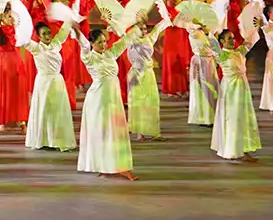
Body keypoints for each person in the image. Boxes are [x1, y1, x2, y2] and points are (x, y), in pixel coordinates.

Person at [75, 23, 142, 180]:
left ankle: (121, 166)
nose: (103, 45)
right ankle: (103, 166)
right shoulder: (88, 57)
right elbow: (83, 44)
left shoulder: (110, 54)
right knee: (103, 131)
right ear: (92, 43)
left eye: (105, 41)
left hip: (113, 98)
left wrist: (137, 26)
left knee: (117, 131)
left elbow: (125, 41)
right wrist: (75, 30)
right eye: (99, 42)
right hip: (98, 99)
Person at [206, 29, 261, 161]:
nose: (233, 40)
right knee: (232, 118)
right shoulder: (222, 55)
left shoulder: (239, 52)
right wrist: (209, 33)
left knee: (243, 118)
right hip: (230, 90)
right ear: (222, 41)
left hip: (242, 88)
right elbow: (213, 45)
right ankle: (232, 149)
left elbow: (250, 42)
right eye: (229, 38)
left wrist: (257, 28)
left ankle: (243, 149)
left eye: (233, 38)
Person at [24, 22, 76, 151]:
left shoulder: (56, 44)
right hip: (43, 83)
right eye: (44, 34)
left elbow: (64, 31)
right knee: (43, 110)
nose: (47, 36)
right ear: (38, 36)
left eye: (49, 33)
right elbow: (23, 40)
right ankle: (43, 139)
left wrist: (70, 19)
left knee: (57, 111)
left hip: (57, 81)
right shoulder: (36, 48)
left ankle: (57, 139)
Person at [0, 8, 32, 132]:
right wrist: (3, 28)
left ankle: (22, 120)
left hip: (17, 60)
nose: (12, 18)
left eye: (12, 16)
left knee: (19, 90)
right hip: (5, 62)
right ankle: (3, 120)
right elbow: (5, 44)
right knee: (5, 90)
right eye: (9, 16)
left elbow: (18, 42)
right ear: (2, 17)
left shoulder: (17, 29)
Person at [125, 17, 167, 141]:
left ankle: (155, 132)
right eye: (141, 29)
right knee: (138, 103)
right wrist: (110, 21)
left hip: (148, 74)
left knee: (152, 102)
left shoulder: (149, 38)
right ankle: (139, 132)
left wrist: (166, 18)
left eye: (145, 29)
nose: (144, 31)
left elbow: (158, 28)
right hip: (136, 75)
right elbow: (119, 31)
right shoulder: (131, 40)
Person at [159, 0, 191, 97]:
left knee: (180, 62)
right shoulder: (165, 10)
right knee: (171, 63)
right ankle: (171, 90)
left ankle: (181, 88)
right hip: (171, 40)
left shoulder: (178, 10)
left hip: (180, 38)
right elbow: (171, 22)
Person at [187, 22, 220, 127]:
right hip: (200, 61)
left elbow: (215, 47)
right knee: (200, 89)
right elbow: (193, 34)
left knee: (211, 89)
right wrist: (201, 29)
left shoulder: (208, 32)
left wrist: (208, 33)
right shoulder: (193, 31)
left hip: (209, 62)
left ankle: (212, 116)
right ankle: (202, 117)